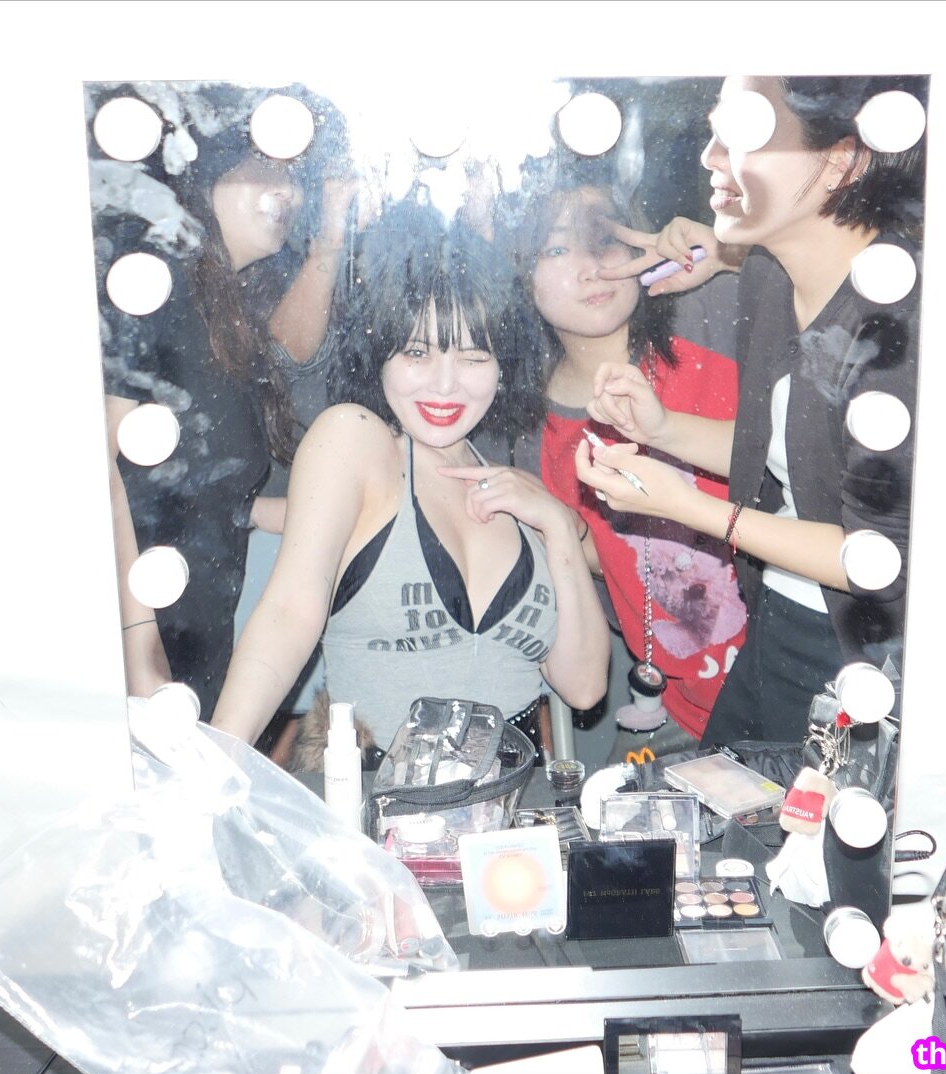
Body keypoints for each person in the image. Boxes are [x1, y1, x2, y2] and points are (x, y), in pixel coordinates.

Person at [578, 75, 925, 754]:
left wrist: (693, 509)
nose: (710, 156)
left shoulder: (899, 320)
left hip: (862, 657)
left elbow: (880, 556)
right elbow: (788, 451)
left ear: (842, 159)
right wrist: (660, 429)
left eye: (742, 133)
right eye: (715, 130)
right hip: (776, 621)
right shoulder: (769, 277)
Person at [211, 201, 609, 754]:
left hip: (518, 798)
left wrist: (559, 527)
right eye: (417, 352)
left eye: (474, 357)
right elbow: (288, 612)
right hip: (378, 790)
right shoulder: (355, 443)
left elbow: (584, 687)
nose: (444, 385)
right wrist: (221, 756)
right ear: (380, 355)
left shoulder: (518, 493)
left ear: (502, 367)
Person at [100, 85, 348, 717]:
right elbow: (102, 468)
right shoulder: (150, 278)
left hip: (197, 640)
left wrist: (330, 512)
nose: (290, 193)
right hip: (143, 644)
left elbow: (205, 494)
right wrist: (138, 644)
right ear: (208, 166)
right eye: (265, 166)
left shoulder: (226, 315)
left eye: (297, 177)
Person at [503, 172, 747, 755]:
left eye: (606, 239)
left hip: (796, 680)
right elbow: (608, 578)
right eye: (557, 248)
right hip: (674, 717)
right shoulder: (529, 434)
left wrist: (731, 254)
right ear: (519, 275)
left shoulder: (712, 314)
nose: (592, 267)